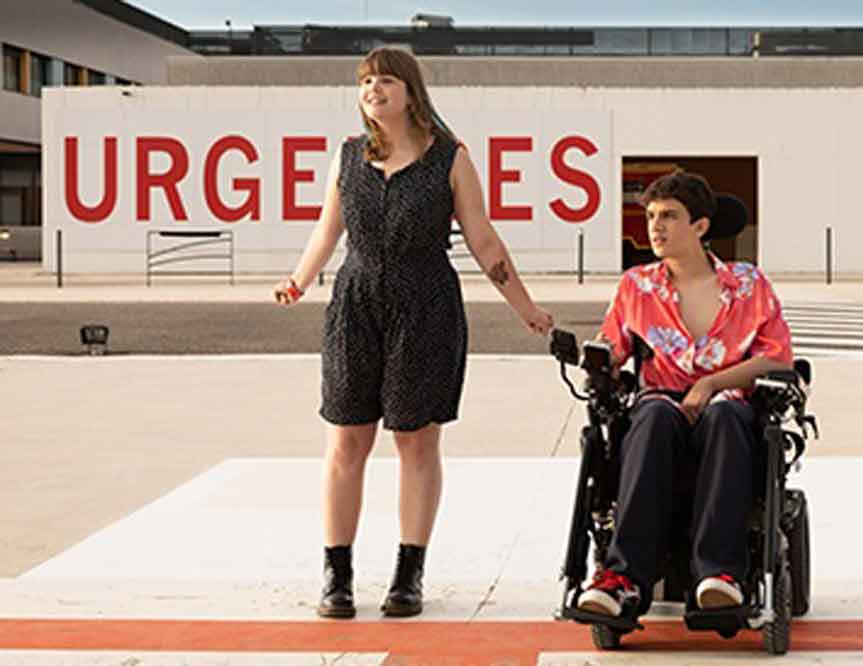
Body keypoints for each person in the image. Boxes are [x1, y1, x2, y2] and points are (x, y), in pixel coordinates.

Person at [273, 46, 554, 619]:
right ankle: (338, 575)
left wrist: (524, 307)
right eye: (365, 82)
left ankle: (408, 574)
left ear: (410, 91)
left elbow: (485, 242)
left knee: (417, 441)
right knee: (347, 439)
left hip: (425, 305)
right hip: (355, 305)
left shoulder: (450, 159)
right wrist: (299, 279)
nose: (373, 90)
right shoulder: (348, 157)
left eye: (384, 81)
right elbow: (327, 231)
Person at [576, 170, 793, 619]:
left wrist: (712, 384)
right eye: (652, 216)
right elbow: (613, 348)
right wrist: (597, 362)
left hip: (729, 403)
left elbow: (778, 358)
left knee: (725, 417)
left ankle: (720, 574)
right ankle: (622, 579)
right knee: (651, 415)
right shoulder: (637, 286)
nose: (655, 227)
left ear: (700, 226)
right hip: (662, 404)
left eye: (670, 216)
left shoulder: (748, 285)